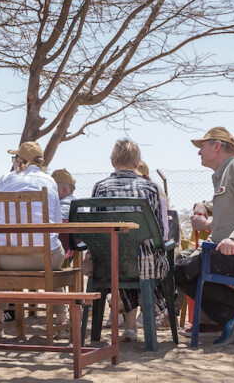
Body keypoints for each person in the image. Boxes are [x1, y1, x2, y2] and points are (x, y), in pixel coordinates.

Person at [174, 127, 234, 346]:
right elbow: (229, 204)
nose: (199, 152)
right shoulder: (224, 173)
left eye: (202, 147)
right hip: (232, 253)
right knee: (181, 264)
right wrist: (203, 205)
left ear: (217, 146)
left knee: (179, 271)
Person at [90, 139, 169, 343]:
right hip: (144, 266)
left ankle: (128, 326)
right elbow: (158, 233)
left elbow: (93, 230)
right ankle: (137, 324)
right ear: (137, 163)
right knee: (142, 255)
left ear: (112, 162)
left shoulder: (100, 188)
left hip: (107, 265)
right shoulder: (151, 189)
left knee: (120, 253)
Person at [0, 141, 69, 327]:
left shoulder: (4, 179)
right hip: (42, 258)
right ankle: (62, 321)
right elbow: (58, 223)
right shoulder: (49, 181)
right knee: (54, 263)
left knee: (7, 266)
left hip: (6, 259)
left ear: (19, 161)